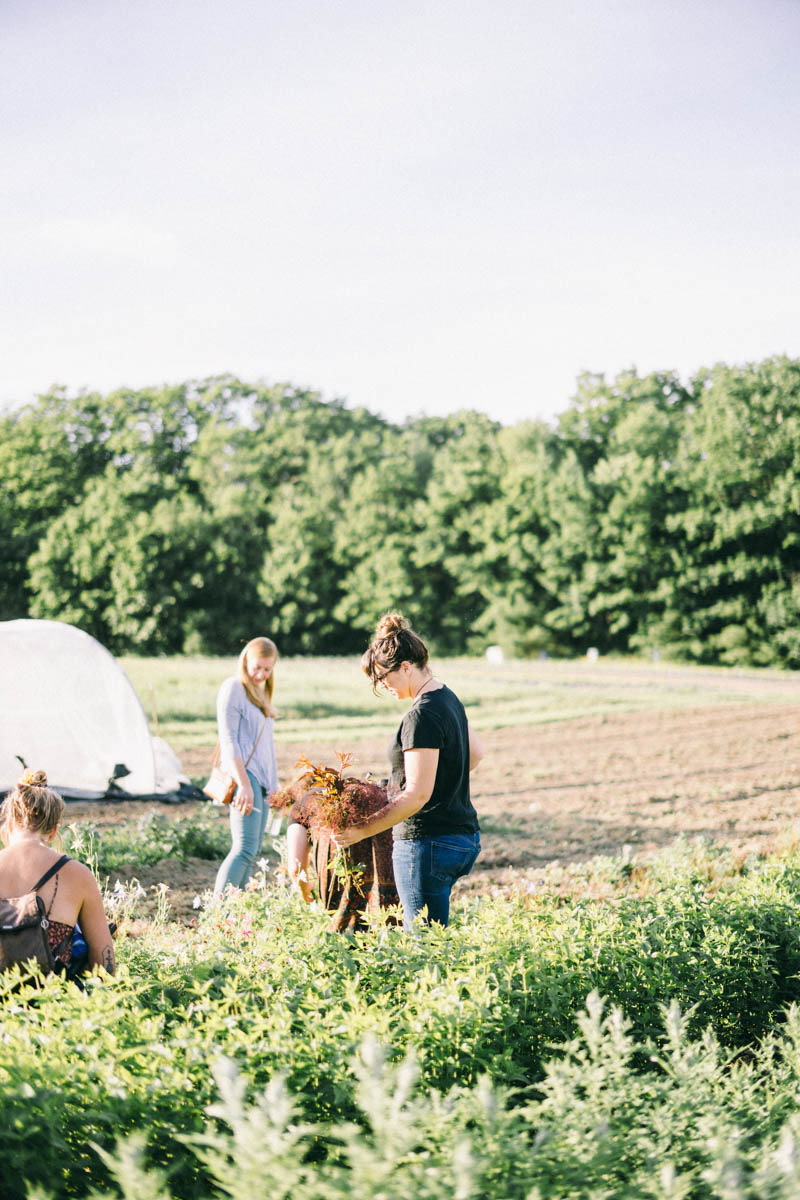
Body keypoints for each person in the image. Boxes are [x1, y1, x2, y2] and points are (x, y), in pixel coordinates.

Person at [332, 612, 483, 929]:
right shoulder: (448, 698)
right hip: (462, 838)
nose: (382, 686)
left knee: (424, 947)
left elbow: (416, 795)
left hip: (426, 844)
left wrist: (361, 830)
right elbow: (475, 755)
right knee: (436, 939)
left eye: (383, 677)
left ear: (405, 666)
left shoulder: (421, 715)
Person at [0, 769, 115, 975]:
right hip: (52, 1001)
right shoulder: (78, 875)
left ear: (8, 824)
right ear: (54, 831)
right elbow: (105, 967)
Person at [281, 776, 400, 932]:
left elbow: (295, 868)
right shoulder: (379, 794)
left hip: (338, 871)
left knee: (343, 931)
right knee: (391, 929)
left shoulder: (305, 803)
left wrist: (305, 890)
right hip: (390, 872)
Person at [213, 636, 279, 894]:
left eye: (267, 669)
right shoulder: (233, 688)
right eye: (257, 667)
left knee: (252, 852)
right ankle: (219, 913)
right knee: (243, 848)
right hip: (244, 775)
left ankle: (237, 915)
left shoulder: (261, 694)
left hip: (260, 780)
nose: (261, 674)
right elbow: (228, 739)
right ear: (245, 661)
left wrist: (273, 787)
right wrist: (244, 784)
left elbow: (268, 748)